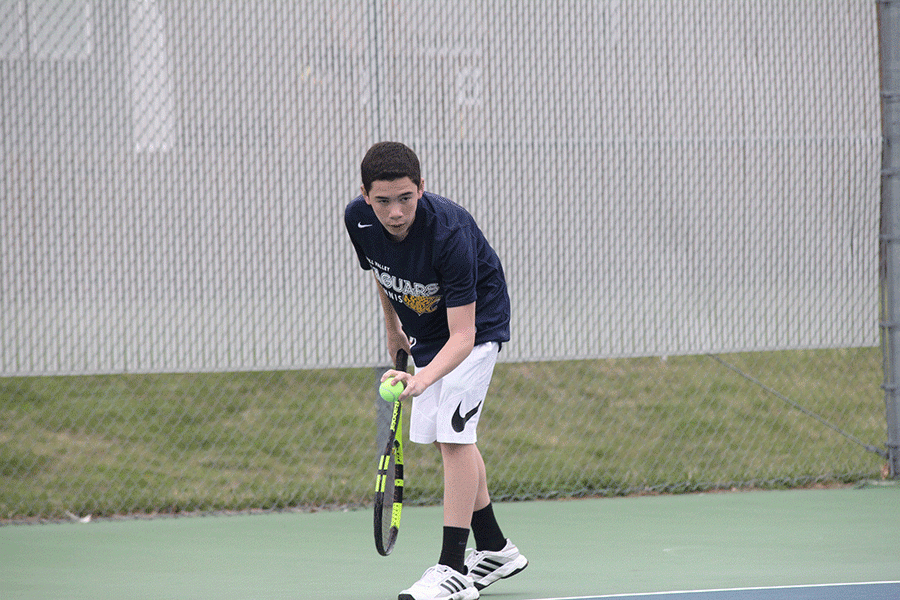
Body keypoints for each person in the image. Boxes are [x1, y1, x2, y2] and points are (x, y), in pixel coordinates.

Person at [344, 142, 528, 600]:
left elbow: (463, 336)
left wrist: (422, 380)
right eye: (383, 200)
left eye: (406, 198)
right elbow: (382, 271)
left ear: (422, 188)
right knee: (449, 437)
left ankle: (452, 570)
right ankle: (495, 548)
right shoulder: (358, 219)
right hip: (424, 331)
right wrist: (393, 330)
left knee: (453, 437)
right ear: (365, 194)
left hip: (477, 326)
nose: (396, 212)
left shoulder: (448, 232)